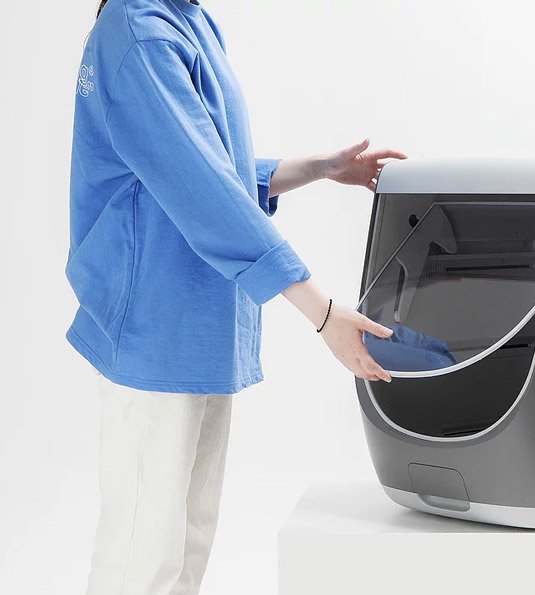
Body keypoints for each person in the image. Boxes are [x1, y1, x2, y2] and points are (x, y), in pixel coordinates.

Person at [67, 1, 404, 593]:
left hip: (197, 319)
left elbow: (208, 161)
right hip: (153, 326)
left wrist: (318, 168)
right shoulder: (139, 34)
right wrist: (323, 313)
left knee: (187, 544)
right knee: (142, 556)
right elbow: (200, 186)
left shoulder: (184, 19)